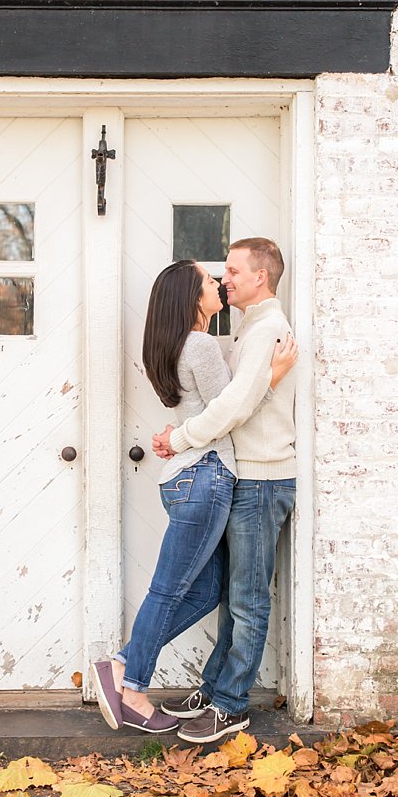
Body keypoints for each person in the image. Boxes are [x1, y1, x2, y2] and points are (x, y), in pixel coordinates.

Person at [89, 260, 297, 733]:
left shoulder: (179, 345)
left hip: (189, 477)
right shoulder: (200, 343)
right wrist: (273, 376)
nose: (218, 284)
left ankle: (125, 663)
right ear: (190, 296)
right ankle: (130, 679)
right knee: (171, 587)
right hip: (204, 476)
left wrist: (178, 434)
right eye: (208, 281)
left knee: (205, 591)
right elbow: (233, 407)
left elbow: (211, 404)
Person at [153, 237, 296, 744]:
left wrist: (180, 438)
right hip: (245, 476)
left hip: (262, 477)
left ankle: (231, 704)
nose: (225, 277)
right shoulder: (250, 330)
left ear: (261, 277)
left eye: (233, 270)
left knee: (249, 599)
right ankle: (215, 688)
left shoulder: (267, 332)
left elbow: (237, 405)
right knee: (232, 595)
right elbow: (247, 397)